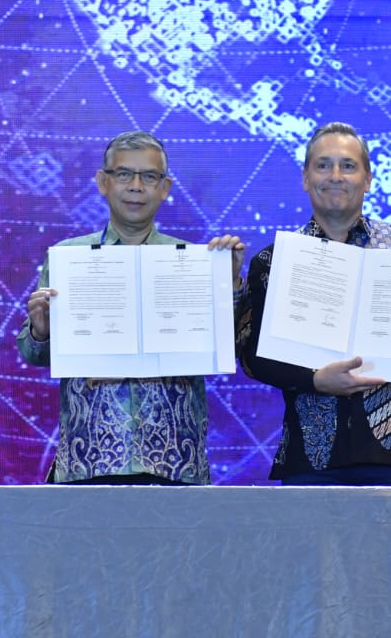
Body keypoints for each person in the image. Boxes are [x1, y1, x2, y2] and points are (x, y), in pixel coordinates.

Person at [237, 122, 391, 485]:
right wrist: (315, 380)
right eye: (323, 165)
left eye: (348, 166)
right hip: (309, 459)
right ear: (305, 178)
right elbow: (251, 359)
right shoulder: (273, 261)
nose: (335, 176)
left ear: (367, 179)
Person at [17, 130, 245, 484]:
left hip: (174, 461)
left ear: (165, 188)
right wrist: (41, 330)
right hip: (90, 460)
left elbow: (227, 348)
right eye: (124, 174)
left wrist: (229, 284)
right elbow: (33, 353)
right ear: (103, 182)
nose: (136, 186)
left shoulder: (194, 262)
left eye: (149, 176)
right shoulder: (68, 258)